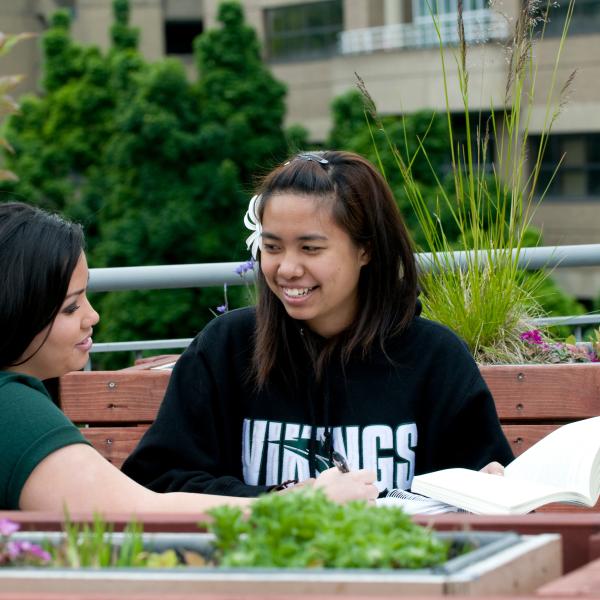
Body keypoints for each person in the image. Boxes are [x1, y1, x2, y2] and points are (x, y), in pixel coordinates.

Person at [122, 150, 513, 498]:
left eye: (311, 248)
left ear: (366, 249)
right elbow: (156, 480)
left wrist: (490, 489)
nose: (287, 268)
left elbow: (486, 486)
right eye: (272, 247)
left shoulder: (434, 358)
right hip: (257, 572)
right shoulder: (227, 346)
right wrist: (281, 500)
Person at [0, 201, 375, 512]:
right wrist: (305, 503)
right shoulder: (13, 409)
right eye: (70, 307)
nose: (92, 316)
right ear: (16, 310)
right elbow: (136, 514)